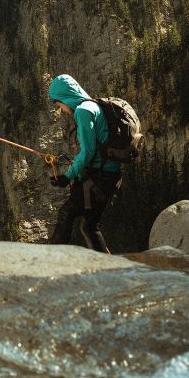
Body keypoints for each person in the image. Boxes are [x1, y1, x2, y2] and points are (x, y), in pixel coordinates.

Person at [47, 74, 122, 253]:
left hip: (100, 177)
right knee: (88, 225)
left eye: (60, 104)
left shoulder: (82, 111)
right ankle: (106, 265)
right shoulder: (93, 106)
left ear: (66, 98)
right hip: (108, 175)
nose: (63, 110)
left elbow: (87, 152)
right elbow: (94, 150)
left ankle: (49, 261)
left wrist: (68, 176)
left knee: (67, 214)